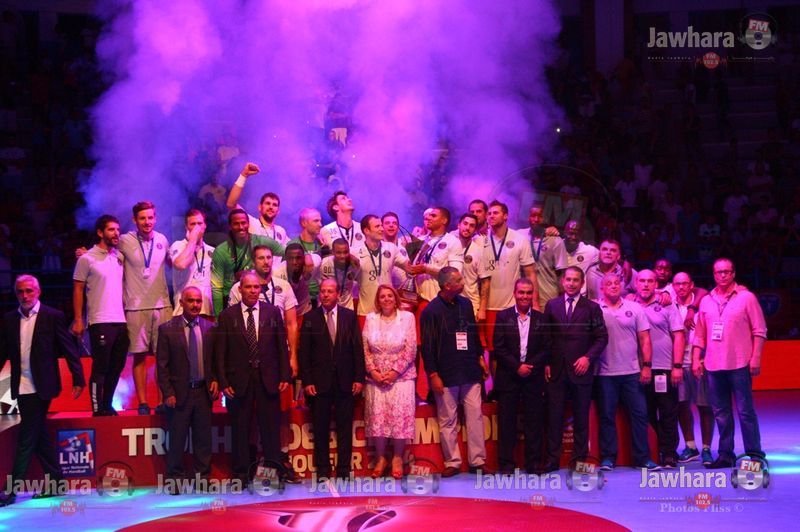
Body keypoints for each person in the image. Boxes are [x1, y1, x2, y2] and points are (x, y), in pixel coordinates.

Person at [0, 275, 85, 507]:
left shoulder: (52, 316)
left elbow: (68, 349)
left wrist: (78, 378)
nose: (24, 295)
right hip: (20, 386)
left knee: (26, 437)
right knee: (38, 435)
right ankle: (56, 481)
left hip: (43, 385)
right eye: (20, 291)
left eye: (29, 291)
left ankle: (11, 490)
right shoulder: (9, 319)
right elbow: (3, 352)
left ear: (38, 292)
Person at [213, 271, 291, 483]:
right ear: (240, 289)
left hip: (268, 379)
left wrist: (285, 375)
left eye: (256, 287)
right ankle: (241, 475)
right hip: (238, 381)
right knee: (240, 429)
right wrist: (223, 382)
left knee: (270, 429)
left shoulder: (272, 312)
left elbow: (281, 346)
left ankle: (273, 475)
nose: (253, 291)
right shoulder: (227, 316)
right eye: (248, 287)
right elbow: (220, 353)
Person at [692, 258, 767, 468]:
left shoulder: (746, 297)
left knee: (745, 411)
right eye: (719, 272)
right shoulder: (706, 301)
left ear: (733, 273)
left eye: (726, 271)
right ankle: (726, 454)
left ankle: (755, 454)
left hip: (740, 363)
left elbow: (760, 329)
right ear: (714, 275)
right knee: (721, 413)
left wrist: (756, 357)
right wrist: (696, 358)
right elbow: (700, 334)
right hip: (713, 365)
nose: (722, 275)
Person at [420, 267, 489, 477]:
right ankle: (453, 462)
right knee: (447, 419)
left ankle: (477, 461)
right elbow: (427, 347)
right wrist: (433, 375)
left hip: (470, 369)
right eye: (459, 280)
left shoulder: (466, 304)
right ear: (447, 285)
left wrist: (480, 358)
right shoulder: (431, 312)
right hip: (446, 374)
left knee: (475, 416)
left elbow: (473, 333)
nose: (463, 283)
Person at [541, 266, 608, 471]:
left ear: (582, 283)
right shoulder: (552, 305)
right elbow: (546, 337)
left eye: (575, 280)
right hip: (557, 370)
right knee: (554, 417)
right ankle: (552, 460)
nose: (571, 283)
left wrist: (588, 358)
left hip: (581, 371)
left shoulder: (592, 308)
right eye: (568, 279)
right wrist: (546, 363)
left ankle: (579, 461)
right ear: (563, 282)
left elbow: (602, 337)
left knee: (580, 418)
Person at [299, 279, 365, 479]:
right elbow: (304, 353)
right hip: (319, 384)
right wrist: (307, 381)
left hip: (346, 382)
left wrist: (359, 378)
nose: (325, 294)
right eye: (323, 291)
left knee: (345, 428)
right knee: (320, 429)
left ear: (338, 294)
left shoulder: (349, 316)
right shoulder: (310, 318)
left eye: (330, 291)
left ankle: (344, 470)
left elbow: (357, 349)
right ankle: (323, 470)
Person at [595, 273, 661, 471]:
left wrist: (647, 365)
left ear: (622, 286)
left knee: (640, 415)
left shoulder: (635, 308)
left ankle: (642, 458)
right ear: (602, 288)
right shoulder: (595, 308)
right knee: (607, 416)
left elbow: (645, 339)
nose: (613, 286)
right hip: (604, 373)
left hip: (632, 372)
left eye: (617, 283)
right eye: (609, 284)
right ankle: (608, 458)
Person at [156, 287, 218, 490]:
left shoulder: (210, 328)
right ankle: (175, 480)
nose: (195, 305)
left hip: (202, 393)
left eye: (198, 301)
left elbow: (214, 361)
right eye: (190, 300)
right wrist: (168, 393)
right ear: (181, 303)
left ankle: (202, 479)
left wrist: (215, 380)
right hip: (178, 394)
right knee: (177, 439)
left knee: (203, 440)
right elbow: (162, 366)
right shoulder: (167, 329)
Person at [118, 201, 172, 415]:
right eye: (142, 218)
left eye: (150, 217)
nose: (147, 222)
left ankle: (162, 401)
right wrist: (86, 253)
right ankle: (142, 402)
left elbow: (174, 263)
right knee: (139, 356)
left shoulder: (163, 240)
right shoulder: (124, 241)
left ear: (155, 218)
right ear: (135, 220)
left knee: (163, 358)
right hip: (135, 307)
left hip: (162, 305)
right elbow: (107, 253)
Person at [479, 200, 537, 398]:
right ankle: (495, 390)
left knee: (512, 350)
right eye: (489, 213)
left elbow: (530, 272)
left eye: (495, 213)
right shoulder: (480, 240)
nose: (491, 216)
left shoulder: (520, 240)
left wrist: (535, 303)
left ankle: (512, 390)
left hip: (511, 306)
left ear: (506, 216)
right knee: (491, 351)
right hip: (487, 305)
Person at [72, 214, 129, 416]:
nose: (116, 233)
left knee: (117, 366)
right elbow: (78, 289)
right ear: (100, 232)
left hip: (121, 321)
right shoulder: (86, 259)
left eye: (118, 229)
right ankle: (97, 410)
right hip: (100, 321)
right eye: (111, 229)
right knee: (101, 367)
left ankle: (107, 405)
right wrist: (78, 319)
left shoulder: (119, 257)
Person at [361, 284, 417, 479]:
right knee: (378, 418)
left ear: (396, 298)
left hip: (401, 378)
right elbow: (365, 348)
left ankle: (398, 458)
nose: (386, 299)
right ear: (378, 300)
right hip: (375, 379)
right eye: (382, 296)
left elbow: (411, 349)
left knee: (399, 419)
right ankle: (380, 458)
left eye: (390, 296)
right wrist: (373, 371)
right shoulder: (371, 318)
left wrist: (394, 373)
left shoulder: (407, 318)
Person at [493, 278, 547, 474]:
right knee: (507, 422)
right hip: (509, 377)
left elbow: (546, 348)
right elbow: (498, 347)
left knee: (534, 422)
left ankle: (533, 464)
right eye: (521, 292)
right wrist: (517, 367)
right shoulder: (503, 316)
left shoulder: (542, 319)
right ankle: (506, 464)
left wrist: (529, 367)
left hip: (533, 377)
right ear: (515, 294)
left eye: (528, 292)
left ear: (533, 295)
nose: (525, 296)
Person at [634, 270, 685, 468]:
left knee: (667, 413)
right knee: (645, 413)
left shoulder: (667, 304)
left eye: (650, 281)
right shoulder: (629, 304)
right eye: (642, 281)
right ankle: (653, 451)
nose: (646, 284)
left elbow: (679, 336)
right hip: (638, 369)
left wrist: (677, 366)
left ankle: (669, 453)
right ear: (636, 283)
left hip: (664, 368)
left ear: (656, 284)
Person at [229, 245, 299, 377]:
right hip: (248, 352)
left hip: (276, 351)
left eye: (269, 257)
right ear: (253, 261)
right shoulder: (238, 288)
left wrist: (293, 356)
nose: (266, 262)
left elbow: (292, 324)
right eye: (261, 258)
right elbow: (231, 325)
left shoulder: (284, 286)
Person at [672, 272, 714, 465]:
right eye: (677, 284)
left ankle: (706, 448)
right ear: (673, 286)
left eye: (685, 284)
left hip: (700, 360)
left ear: (691, 285)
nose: (681, 287)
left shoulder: (702, 304)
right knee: (682, 405)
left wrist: (705, 357)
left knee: (704, 406)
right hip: (677, 362)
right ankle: (690, 447)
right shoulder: (669, 305)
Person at [211, 208, 284, 313]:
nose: (241, 227)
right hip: (231, 299)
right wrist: (219, 316)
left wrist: (278, 273)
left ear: (248, 224)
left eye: (243, 223)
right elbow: (216, 288)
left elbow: (287, 253)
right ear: (230, 226)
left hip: (257, 296)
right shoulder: (221, 251)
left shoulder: (260, 241)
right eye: (236, 224)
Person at [356, 215, 411, 326]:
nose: (382, 229)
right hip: (366, 311)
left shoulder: (391, 248)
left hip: (388, 312)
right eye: (377, 226)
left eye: (381, 225)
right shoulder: (355, 252)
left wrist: (417, 256)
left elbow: (409, 268)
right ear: (366, 230)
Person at [517, 204, 568, 310]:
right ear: (528, 217)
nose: (536, 219)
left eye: (540, 216)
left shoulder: (556, 241)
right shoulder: (520, 236)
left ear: (545, 218)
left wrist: (562, 300)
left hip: (547, 295)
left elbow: (562, 274)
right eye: (533, 215)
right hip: (524, 296)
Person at [225, 162, 291, 245]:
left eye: (274, 205)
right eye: (267, 203)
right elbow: (231, 204)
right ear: (260, 207)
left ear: (278, 211)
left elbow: (294, 247)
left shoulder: (281, 231)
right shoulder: (251, 223)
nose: (271, 207)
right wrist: (244, 175)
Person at [170, 209, 215, 318]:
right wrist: (193, 240)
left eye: (199, 223)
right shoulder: (178, 246)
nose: (196, 228)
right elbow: (181, 264)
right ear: (186, 227)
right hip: (182, 311)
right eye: (193, 224)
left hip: (206, 312)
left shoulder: (212, 251)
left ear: (205, 226)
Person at [319, 238, 361, 310]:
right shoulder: (324, 264)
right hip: (327, 305)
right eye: (338, 253)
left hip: (347, 305)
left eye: (345, 252)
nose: (342, 256)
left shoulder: (355, 265)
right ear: (332, 252)